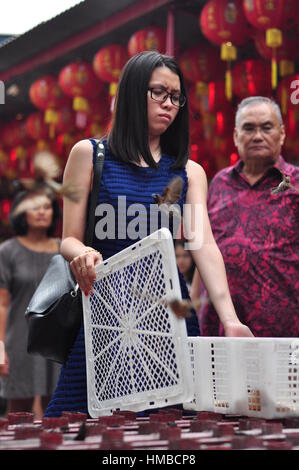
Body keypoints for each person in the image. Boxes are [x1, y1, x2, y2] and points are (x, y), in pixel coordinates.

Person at [45, 51, 253, 417]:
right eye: (159, 92)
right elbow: (69, 237)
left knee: (176, 429)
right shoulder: (90, 155)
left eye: (176, 97)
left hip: (170, 316)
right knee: (81, 423)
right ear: (132, 92)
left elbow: (203, 243)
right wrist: (82, 252)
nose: (169, 104)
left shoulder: (190, 171)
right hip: (107, 314)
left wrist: (230, 319)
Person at [193, 96, 299, 337]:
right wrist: (192, 306)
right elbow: (206, 246)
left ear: (281, 134)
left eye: (267, 128)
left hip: (283, 332)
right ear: (235, 136)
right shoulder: (219, 183)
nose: (258, 136)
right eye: (249, 128)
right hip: (219, 328)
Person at [0, 186, 61, 417]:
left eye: (46, 207)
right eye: (34, 207)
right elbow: (2, 304)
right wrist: (0, 348)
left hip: (57, 340)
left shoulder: (63, 248)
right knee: (18, 412)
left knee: (57, 410)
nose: (41, 212)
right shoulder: (7, 251)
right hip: (19, 340)